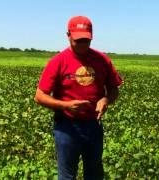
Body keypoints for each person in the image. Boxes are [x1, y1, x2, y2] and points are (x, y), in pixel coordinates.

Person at [34, 15, 122, 180]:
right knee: (67, 176)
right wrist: (65, 106)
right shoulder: (58, 61)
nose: (82, 45)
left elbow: (114, 89)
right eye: (77, 40)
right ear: (68, 35)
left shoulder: (102, 60)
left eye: (85, 40)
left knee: (94, 173)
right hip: (66, 127)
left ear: (91, 36)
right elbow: (39, 96)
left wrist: (106, 100)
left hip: (93, 126)